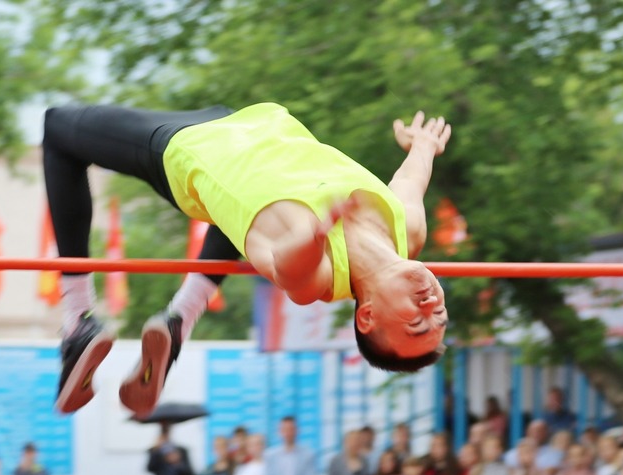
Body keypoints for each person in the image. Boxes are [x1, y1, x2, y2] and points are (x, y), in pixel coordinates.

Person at [46, 103, 452, 417]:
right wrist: (424, 146)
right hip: (252, 123)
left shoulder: (318, 280)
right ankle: (180, 320)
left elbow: (291, 264)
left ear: (366, 318)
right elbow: (411, 181)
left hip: (194, 149)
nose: (432, 308)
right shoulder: (409, 230)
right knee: (248, 217)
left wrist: (315, 229)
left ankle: (78, 316)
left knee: (59, 127)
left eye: (416, 323)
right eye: (439, 318)